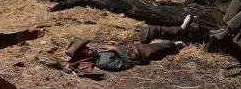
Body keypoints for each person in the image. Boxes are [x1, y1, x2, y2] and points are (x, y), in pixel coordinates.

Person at [57, 15, 192, 73]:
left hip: (130, 43)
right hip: (137, 53)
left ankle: (180, 30)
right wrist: (116, 50)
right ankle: (178, 44)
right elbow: (128, 64)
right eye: (85, 50)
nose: (90, 48)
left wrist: (116, 43)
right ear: (82, 55)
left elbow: (114, 46)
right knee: (163, 46)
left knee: (150, 29)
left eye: (87, 46)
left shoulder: (96, 51)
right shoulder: (103, 63)